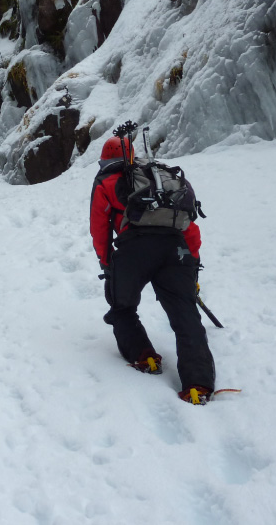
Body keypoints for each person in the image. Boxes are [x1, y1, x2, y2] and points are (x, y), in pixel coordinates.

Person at [89, 135, 216, 404]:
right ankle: (198, 384)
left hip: (134, 249)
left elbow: (99, 227)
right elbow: (189, 228)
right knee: (186, 316)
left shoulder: (107, 181)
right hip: (176, 248)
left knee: (122, 307)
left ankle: (143, 355)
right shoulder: (160, 181)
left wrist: (106, 262)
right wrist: (192, 267)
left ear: (104, 160)